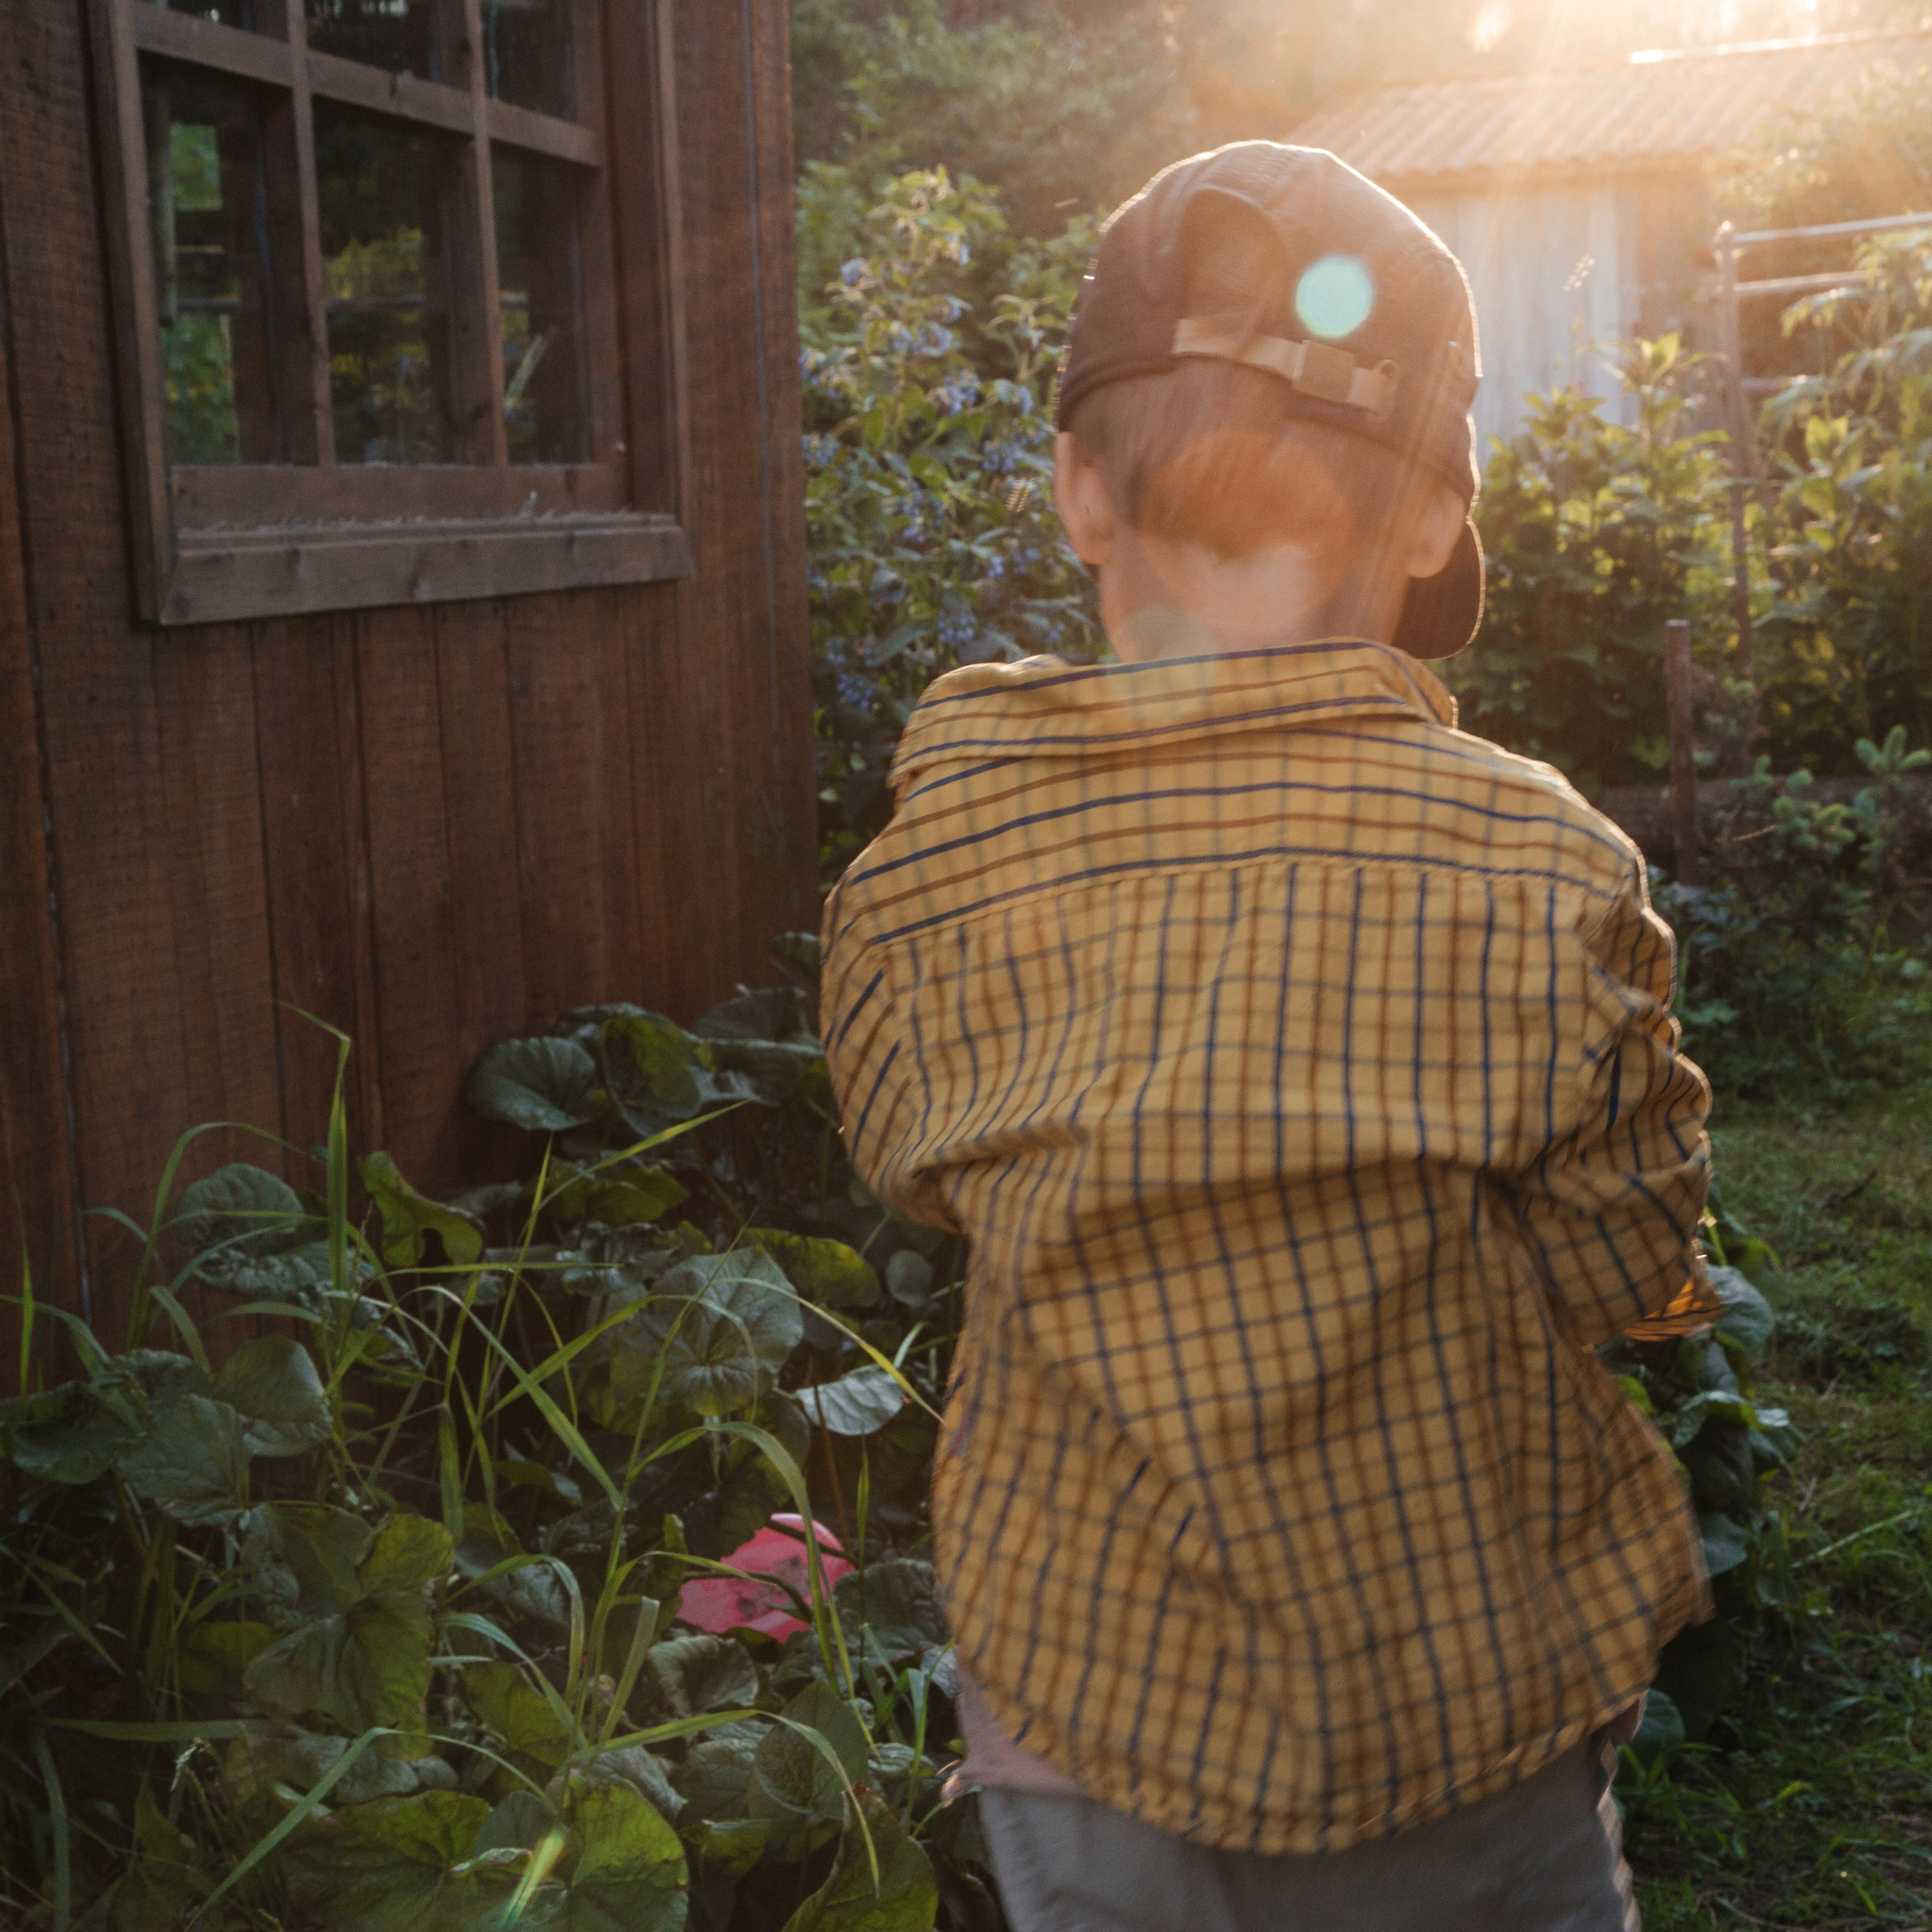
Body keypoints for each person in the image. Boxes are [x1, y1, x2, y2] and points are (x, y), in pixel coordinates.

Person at [818, 142, 1720, 1930]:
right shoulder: (1539, 864)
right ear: (1436, 522)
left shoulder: (934, 853)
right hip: (1443, 1678)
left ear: (1078, 491)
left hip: (1083, 1690)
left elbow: (910, 1164)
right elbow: (1628, 1255)